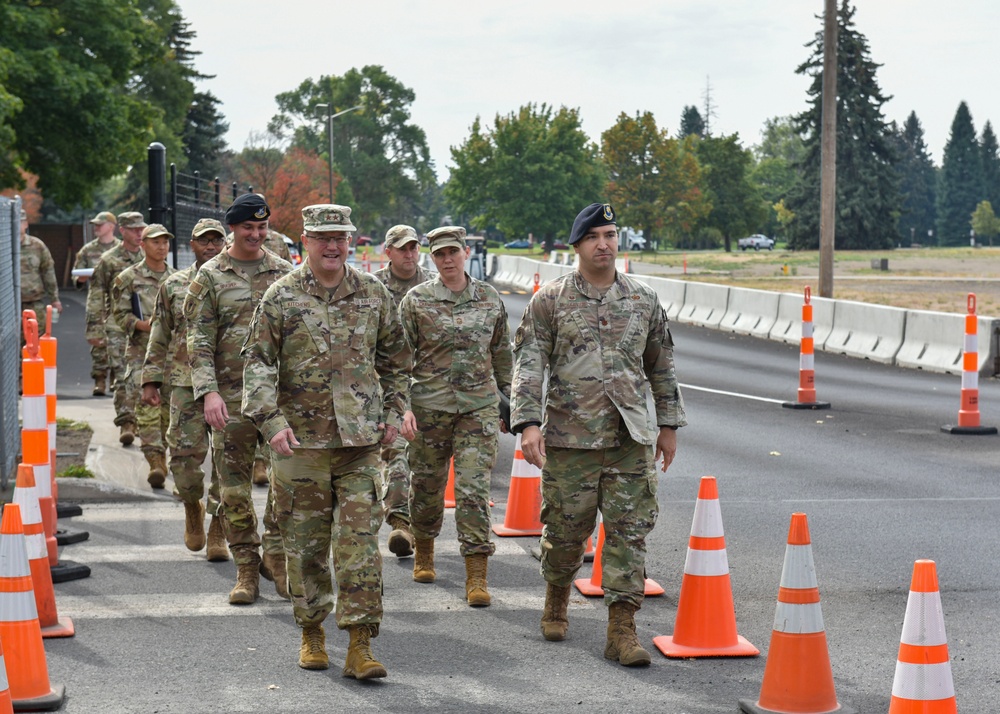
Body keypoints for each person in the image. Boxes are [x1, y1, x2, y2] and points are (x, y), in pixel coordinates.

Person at [509, 202, 686, 667]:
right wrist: (528, 424)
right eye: (594, 237)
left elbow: (661, 364)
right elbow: (529, 365)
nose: (604, 244)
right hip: (570, 440)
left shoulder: (643, 298)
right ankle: (556, 597)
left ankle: (622, 630)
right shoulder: (550, 300)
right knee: (567, 533)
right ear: (577, 246)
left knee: (630, 534)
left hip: (630, 440)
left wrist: (667, 426)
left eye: (610, 234)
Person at [242, 203, 409, 677]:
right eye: (323, 237)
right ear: (306, 241)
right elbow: (256, 364)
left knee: (358, 545)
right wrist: (271, 422)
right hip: (301, 447)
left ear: (350, 240)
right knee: (305, 546)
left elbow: (397, 361)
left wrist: (396, 410)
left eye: (341, 236)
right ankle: (312, 631)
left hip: (360, 445)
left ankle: (361, 644)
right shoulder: (281, 296)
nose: (333, 246)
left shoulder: (373, 294)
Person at [185, 193, 292, 605]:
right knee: (232, 490)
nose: (256, 234)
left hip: (275, 401)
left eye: (262, 227)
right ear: (233, 228)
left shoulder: (283, 273)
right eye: (249, 227)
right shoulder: (210, 276)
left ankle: (276, 555)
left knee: (286, 484)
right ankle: (246, 568)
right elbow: (198, 341)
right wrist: (208, 392)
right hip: (228, 399)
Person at [399, 226, 512, 607]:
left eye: (453, 252)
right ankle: (425, 551)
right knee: (427, 487)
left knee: (473, 490)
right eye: (440, 254)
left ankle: (476, 575)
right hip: (429, 407)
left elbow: (501, 354)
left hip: (477, 408)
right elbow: (399, 359)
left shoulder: (488, 298)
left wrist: (512, 403)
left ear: (466, 253)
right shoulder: (416, 300)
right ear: (433, 258)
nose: (447, 260)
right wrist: (402, 406)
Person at [141, 218, 228, 559]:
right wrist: (150, 378)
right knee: (183, 459)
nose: (210, 246)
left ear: (224, 243)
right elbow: (158, 333)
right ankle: (193, 504)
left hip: (229, 384)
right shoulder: (174, 285)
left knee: (228, 461)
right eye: (203, 241)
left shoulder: (235, 283)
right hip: (184, 383)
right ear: (191, 245)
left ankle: (219, 526)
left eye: (216, 240)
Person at [372, 224, 432, 558]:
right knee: (395, 451)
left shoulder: (432, 285)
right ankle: (400, 522)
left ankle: (420, 529)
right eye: (402, 248)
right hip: (387, 385)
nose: (409, 254)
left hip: (428, 386)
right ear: (388, 251)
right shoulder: (373, 287)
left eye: (413, 248)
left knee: (425, 463)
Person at [111, 224, 176, 488]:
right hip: (141, 352)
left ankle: (166, 454)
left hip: (172, 355)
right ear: (143, 245)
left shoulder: (177, 279)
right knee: (148, 407)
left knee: (169, 411)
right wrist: (141, 325)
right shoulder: (128, 278)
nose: (161, 247)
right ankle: (156, 461)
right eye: (155, 242)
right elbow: (118, 314)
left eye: (164, 242)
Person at [86, 212, 146, 445]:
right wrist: (94, 328)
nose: (139, 233)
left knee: (144, 376)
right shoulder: (109, 260)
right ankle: (126, 422)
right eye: (134, 229)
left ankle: (141, 420)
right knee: (122, 375)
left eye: (141, 229)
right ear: (122, 230)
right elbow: (96, 295)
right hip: (117, 325)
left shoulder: (148, 256)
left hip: (145, 325)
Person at [74, 211, 120, 395]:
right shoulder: (87, 250)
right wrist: (81, 279)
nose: (96, 228)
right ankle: (99, 380)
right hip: (97, 301)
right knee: (97, 342)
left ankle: (116, 379)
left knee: (118, 340)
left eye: (100, 225)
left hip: (117, 301)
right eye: (95, 225)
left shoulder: (121, 249)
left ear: (111, 226)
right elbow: (76, 277)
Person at [19, 209, 62, 337]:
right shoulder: (3, 245)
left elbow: (48, 271)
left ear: (26, 224)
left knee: (36, 340)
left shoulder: (37, 245)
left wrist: (54, 299)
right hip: (7, 305)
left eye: (20, 222)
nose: (16, 225)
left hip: (33, 302)